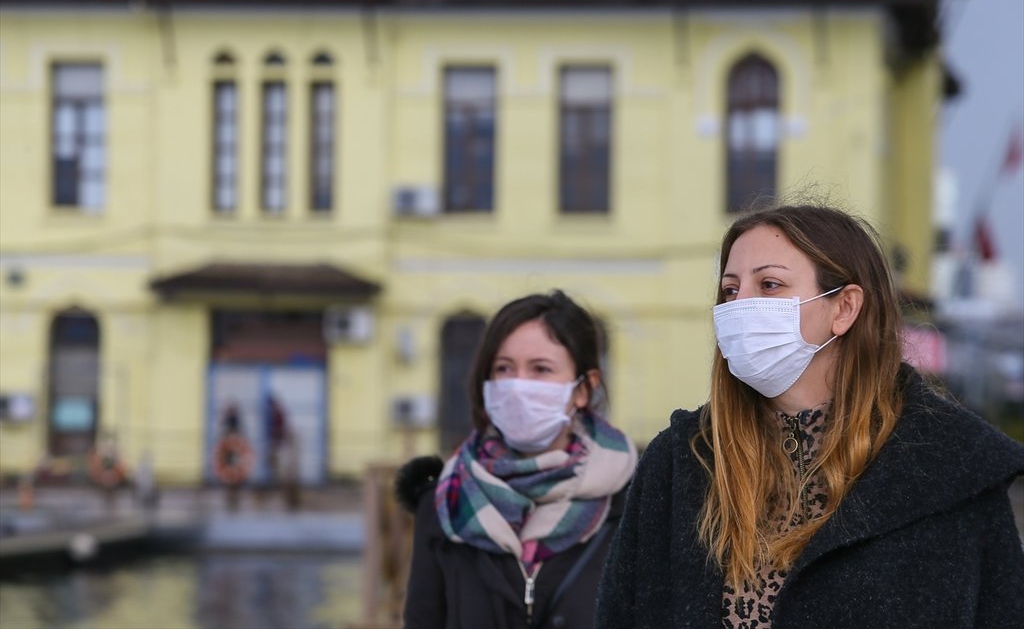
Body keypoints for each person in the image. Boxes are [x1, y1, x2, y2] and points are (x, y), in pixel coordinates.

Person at [596, 203, 1024, 628]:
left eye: (769, 284)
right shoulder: (682, 461)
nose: (739, 305)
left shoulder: (951, 468)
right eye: (730, 289)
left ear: (844, 308)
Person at [398, 290, 637, 629]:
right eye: (504, 368)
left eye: (541, 369)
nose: (517, 385)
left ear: (584, 389)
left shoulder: (632, 504)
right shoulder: (444, 502)